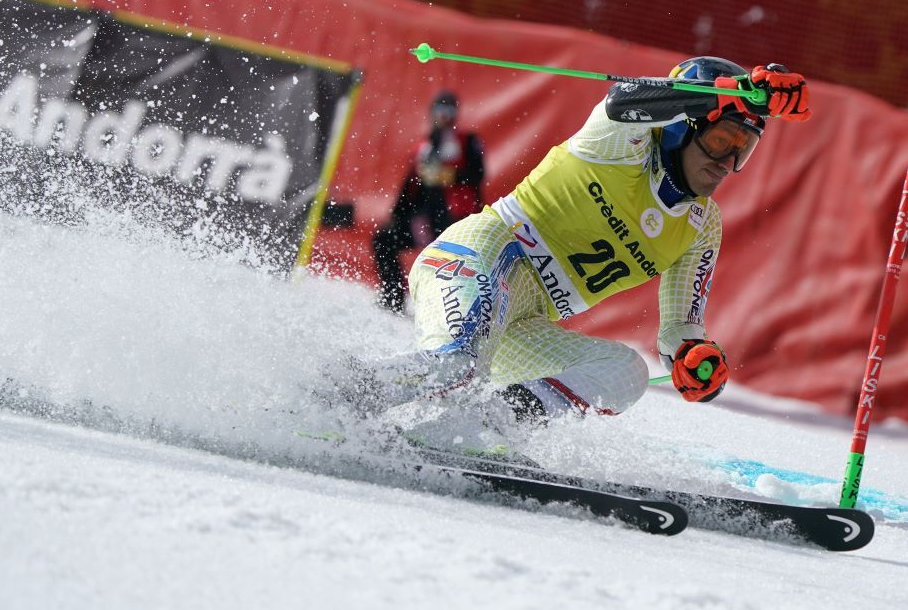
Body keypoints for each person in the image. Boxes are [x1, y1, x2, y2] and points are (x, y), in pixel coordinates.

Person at [345, 57, 810, 453]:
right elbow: (623, 101)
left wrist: (694, 357)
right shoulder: (619, 144)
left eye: (741, 151)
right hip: (479, 258)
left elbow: (679, 331)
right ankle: (328, 396)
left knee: (625, 372)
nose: (726, 164)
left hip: (521, 323)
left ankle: (465, 436)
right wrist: (728, 93)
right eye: (720, 140)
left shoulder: (701, 225)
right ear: (677, 129)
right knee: (454, 367)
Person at [372, 89, 485, 313]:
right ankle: (393, 297)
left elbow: (478, 174)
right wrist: (397, 215)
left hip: (455, 220)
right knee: (383, 240)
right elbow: (409, 184)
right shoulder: (423, 146)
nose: (444, 115)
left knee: (454, 264)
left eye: (449, 110)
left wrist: (449, 175)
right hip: (425, 220)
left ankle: (458, 311)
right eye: (440, 109)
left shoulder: (467, 141)